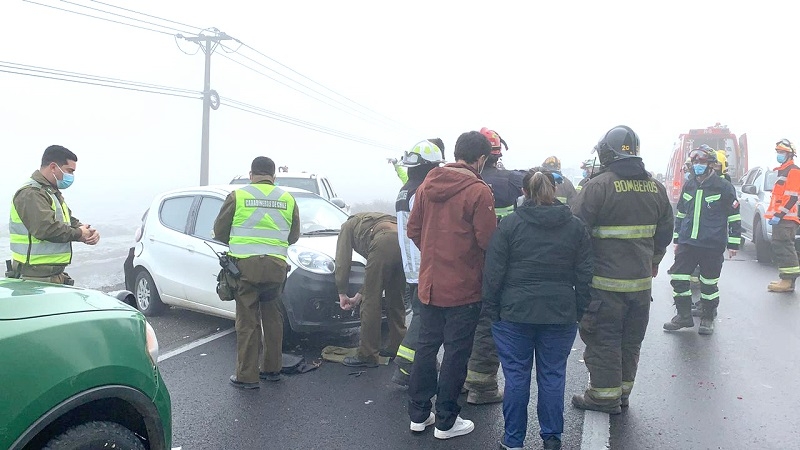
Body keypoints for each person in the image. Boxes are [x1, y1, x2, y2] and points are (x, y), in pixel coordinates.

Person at [484, 170, 592, 450]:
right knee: (553, 374)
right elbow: (584, 274)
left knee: (516, 377)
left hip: (514, 313)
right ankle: (552, 438)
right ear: (554, 191)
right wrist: (578, 310)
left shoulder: (510, 225)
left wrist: (493, 310)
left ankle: (513, 442)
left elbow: (494, 272)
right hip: (560, 313)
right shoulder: (575, 227)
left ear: (526, 192)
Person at [570, 125, 673, 414]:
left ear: (606, 153)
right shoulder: (656, 188)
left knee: (604, 341)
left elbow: (575, 230)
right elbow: (666, 230)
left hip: (604, 286)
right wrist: (654, 260)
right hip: (640, 286)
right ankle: (622, 393)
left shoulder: (598, 186)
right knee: (630, 341)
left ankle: (603, 398)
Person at [406, 130, 496, 440]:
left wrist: (433, 254)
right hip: (464, 289)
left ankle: (419, 415)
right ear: (480, 159)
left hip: (429, 285)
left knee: (426, 349)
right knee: (457, 355)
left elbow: (413, 229)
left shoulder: (428, 183)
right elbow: (487, 241)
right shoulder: (479, 191)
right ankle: (446, 421)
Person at [212, 156, 300, 389]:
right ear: (274, 176)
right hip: (275, 268)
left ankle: (247, 376)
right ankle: (272, 369)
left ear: (251, 175)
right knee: (272, 318)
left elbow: (219, 231)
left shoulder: (238, 195)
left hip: (245, 269)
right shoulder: (288, 198)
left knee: (247, 321)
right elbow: (294, 236)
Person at [463, 127, 524, 405]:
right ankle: (482, 385)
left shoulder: (463, 183)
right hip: (499, 265)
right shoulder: (509, 181)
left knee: (464, 322)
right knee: (490, 322)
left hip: (464, 264)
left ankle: (461, 377)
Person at [664, 147, 741, 335]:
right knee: (678, 278)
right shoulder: (689, 185)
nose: (698, 166)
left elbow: (734, 217)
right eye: (695, 163)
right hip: (687, 243)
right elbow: (681, 213)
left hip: (712, 245)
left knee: (708, 284)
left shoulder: (723, 187)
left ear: (710, 165)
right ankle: (683, 316)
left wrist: (733, 243)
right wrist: (677, 239)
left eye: (702, 163)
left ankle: (707, 317)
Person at [392, 140, 445, 386]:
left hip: (412, 265)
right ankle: (405, 367)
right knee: (424, 317)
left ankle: (424, 362)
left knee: (422, 314)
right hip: (424, 264)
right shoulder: (421, 192)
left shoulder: (406, 189)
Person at [8, 145, 99, 285]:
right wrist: (78, 233)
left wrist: (86, 231)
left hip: (50, 275)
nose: (71, 176)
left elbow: (67, 220)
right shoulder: (31, 193)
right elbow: (45, 228)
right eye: (70, 171)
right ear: (53, 167)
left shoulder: (50, 192)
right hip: (35, 278)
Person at [334, 212, 406, 367]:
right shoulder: (374, 218)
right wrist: (358, 295)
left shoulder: (347, 226)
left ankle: (367, 354)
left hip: (384, 242)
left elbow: (342, 260)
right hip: (404, 241)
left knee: (371, 301)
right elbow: (373, 276)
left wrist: (342, 291)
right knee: (396, 298)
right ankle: (398, 347)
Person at [765, 139, 800, 293]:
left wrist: (779, 214)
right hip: (782, 219)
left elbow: (792, 197)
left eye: (782, 152)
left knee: (785, 247)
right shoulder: (783, 171)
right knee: (780, 246)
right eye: (778, 152)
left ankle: (787, 281)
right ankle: (785, 280)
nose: (779, 155)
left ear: (790, 154)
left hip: (786, 219)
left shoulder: (793, 170)